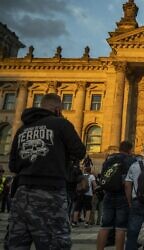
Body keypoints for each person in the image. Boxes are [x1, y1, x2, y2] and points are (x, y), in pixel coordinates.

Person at [8, 93, 86, 249]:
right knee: (55, 243)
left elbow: (13, 165)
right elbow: (79, 151)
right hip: (50, 193)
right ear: (58, 109)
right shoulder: (61, 124)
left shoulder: (22, 129)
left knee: (16, 244)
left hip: (21, 195)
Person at [96, 141, 136, 250]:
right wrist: (130, 200)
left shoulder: (109, 159)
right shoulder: (131, 160)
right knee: (121, 228)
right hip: (123, 195)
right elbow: (128, 182)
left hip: (108, 194)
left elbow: (103, 178)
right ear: (130, 149)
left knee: (105, 226)